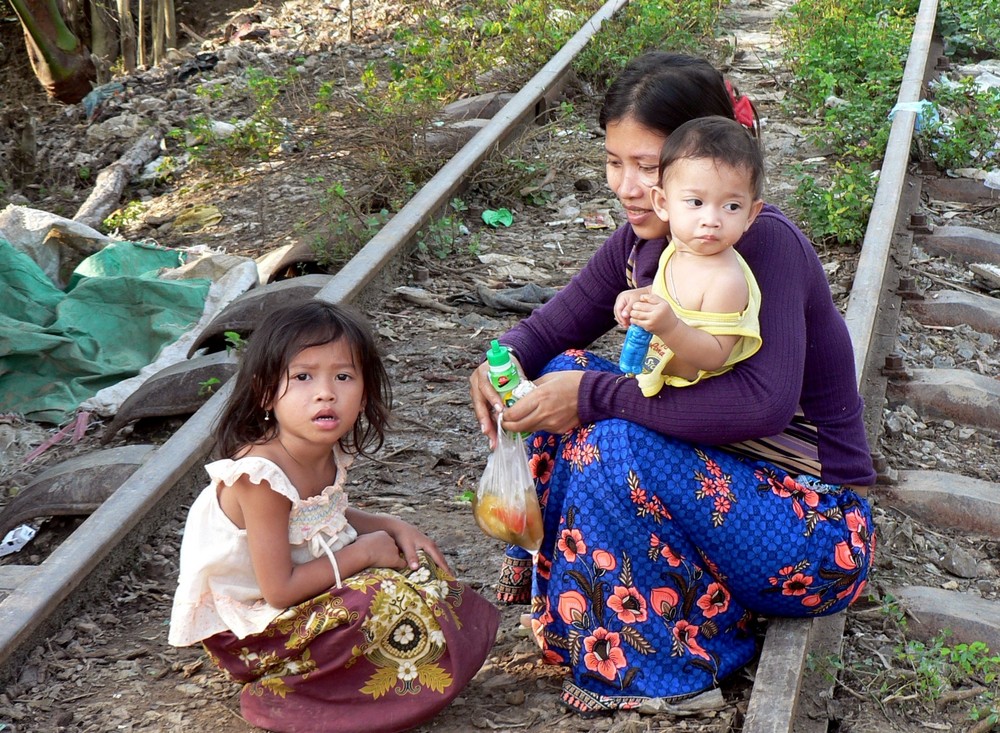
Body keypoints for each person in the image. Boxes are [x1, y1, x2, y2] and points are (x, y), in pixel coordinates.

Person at [468, 51, 875, 715]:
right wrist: (498, 362)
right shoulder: (649, 236)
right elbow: (550, 327)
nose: (629, 187)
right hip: (729, 494)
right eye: (614, 162)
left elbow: (762, 403)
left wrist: (596, 398)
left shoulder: (761, 245)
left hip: (814, 528)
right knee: (564, 372)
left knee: (607, 435)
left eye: (649, 167)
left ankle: (667, 665)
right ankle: (622, 609)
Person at [169, 301, 500, 733]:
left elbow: (318, 515)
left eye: (343, 377)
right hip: (251, 633)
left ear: (363, 393)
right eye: (303, 377)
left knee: (421, 579)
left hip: (292, 611)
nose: (326, 392)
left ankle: (382, 680)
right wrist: (362, 553)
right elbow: (280, 589)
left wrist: (391, 525)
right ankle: (290, 694)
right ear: (266, 391)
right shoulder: (260, 478)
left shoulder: (320, 452)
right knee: (378, 594)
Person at [615, 115, 765, 395]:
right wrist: (641, 296)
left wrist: (669, 326)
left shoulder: (725, 280)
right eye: (696, 202)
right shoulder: (679, 249)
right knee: (564, 364)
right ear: (663, 203)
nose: (712, 219)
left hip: (691, 399)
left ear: (751, 215)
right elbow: (680, 299)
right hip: (657, 382)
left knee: (604, 434)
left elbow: (715, 354)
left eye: (732, 206)